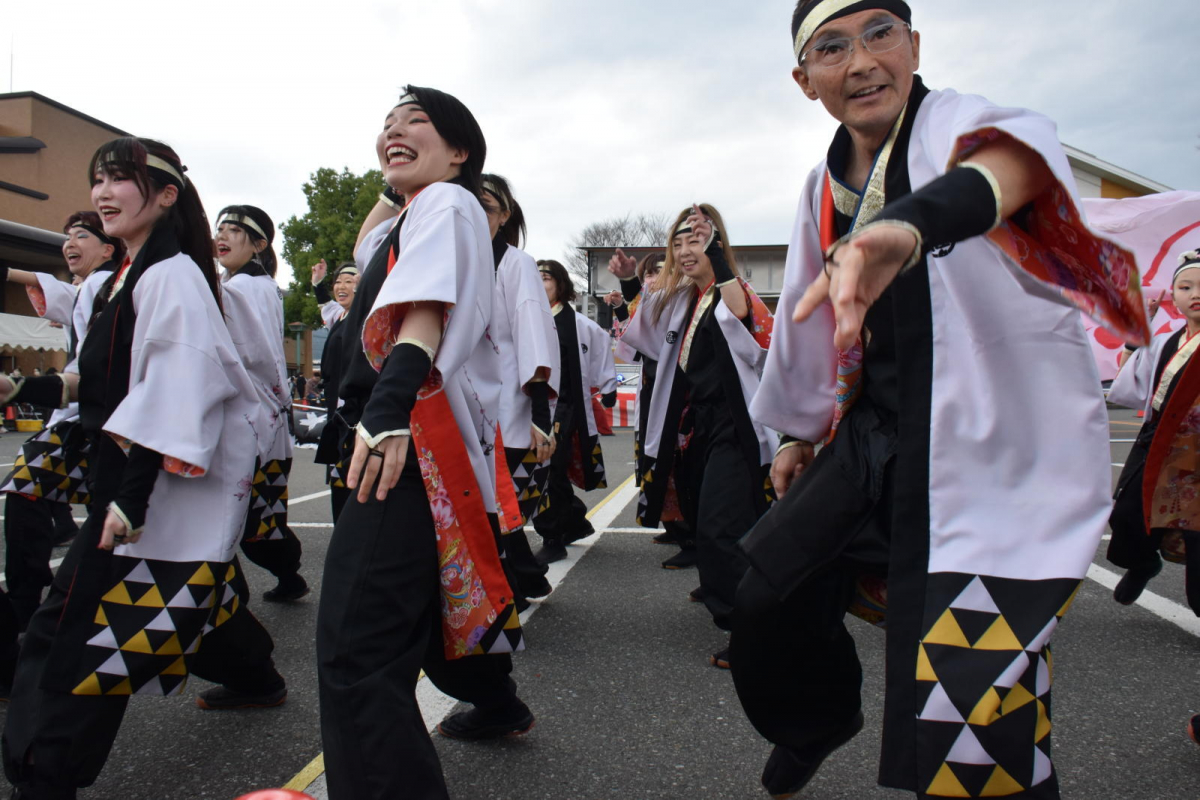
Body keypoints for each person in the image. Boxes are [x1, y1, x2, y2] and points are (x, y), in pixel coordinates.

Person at [730, 3, 1149, 798]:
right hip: (875, 433)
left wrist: (907, 228)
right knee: (763, 595)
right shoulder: (823, 184)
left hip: (982, 442)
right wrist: (794, 433)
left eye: (879, 34)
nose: (860, 62)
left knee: (976, 708)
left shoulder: (958, 125)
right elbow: (805, 319)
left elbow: (1011, 170)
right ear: (803, 79)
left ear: (915, 46)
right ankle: (819, 719)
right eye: (831, 47)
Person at [1, 137, 287, 798]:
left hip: (144, 493)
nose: (103, 192)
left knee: (76, 631)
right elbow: (100, 380)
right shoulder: (125, 276)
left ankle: (44, 777)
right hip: (137, 485)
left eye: (120, 179)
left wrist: (129, 500)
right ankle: (255, 674)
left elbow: (176, 387)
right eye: (97, 178)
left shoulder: (173, 275)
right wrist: (25, 391)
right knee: (176, 606)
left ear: (164, 195)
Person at [316, 87, 534, 800]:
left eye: (416, 122)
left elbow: (422, 318)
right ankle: (494, 702)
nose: (394, 132)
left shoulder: (449, 203)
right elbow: (369, 241)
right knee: (411, 631)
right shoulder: (414, 216)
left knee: (357, 651)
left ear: (461, 151)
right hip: (393, 439)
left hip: (405, 443)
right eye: (385, 126)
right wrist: (398, 167)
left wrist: (387, 411)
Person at [613, 205, 774, 668]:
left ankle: (753, 634)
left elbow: (746, 319)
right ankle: (732, 598)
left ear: (717, 244)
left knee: (723, 527)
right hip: (696, 427)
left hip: (735, 425)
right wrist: (629, 284)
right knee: (707, 523)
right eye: (678, 242)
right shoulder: (682, 300)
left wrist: (720, 260)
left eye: (696, 240)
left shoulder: (730, 290)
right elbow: (640, 334)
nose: (685, 251)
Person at [0, 212, 122, 628]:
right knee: (28, 491)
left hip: (98, 421)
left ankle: (29, 606)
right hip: (79, 418)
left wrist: (22, 389)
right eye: (66, 237)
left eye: (82, 235)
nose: (70, 244)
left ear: (107, 249)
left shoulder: (108, 284)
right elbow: (50, 287)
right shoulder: (89, 286)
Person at [214, 204, 309, 603]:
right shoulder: (255, 283)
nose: (221, 235)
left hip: (250, 419)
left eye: (234, 229)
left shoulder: (243, 287)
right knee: (258, 522)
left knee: (245, 524)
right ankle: (288, 577)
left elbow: (255, 354)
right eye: (219, 228)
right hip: (261, 417)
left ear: (259, 244)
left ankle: (225, 610)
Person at [480, 173, 559, 607]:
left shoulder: (515, 263)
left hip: (505, 404)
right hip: (457, 405)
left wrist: (538, 417)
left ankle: (508, 588)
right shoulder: (451, 258)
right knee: (485, 502)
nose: (476, 213)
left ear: (505, 215)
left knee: (493, 503)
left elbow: (533, 334)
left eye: (487, 206)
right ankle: (524, 578)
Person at [1107, 251, 1200, 613]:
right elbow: (1129, 388)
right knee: (1129, 516)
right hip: (1157, 443)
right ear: (1173, 297)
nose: (1195, 293)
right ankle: (1143, 563)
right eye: (1186, 286)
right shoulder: (1164, 342)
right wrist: (1135, 334)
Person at [609, 253, 699, 571]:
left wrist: (631, 289)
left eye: (662, 271)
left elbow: (647, 317)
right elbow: (638, 331)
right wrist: (626, 302)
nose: (655, 277)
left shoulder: (688, 295)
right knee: (656, 463)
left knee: (676, 465)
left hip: (681, 396)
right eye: (650, 272)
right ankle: (675, 525)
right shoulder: (659, 299)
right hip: (653, 390)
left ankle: (691, 535)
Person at [531, 259, 618, 565]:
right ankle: (575, 520)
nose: (540, 283)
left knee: (548, 468)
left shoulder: (580, 325)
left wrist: (609, 386)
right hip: (534, 405)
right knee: (546, 470)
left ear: (560, 283)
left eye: (546, 278)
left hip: (564, 408)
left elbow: (600, 347)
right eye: (536, 278)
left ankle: (552, 537)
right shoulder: (527, 318)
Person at [310, 260, 359, 522]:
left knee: (350, 480)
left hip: (352, 414)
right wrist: (318, 284)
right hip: (335, 412)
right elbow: (326, 308)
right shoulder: (340, 316)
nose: (342, 286)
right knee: (338, 479)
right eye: (338, 281)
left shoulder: (365, 317)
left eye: (349, 281)